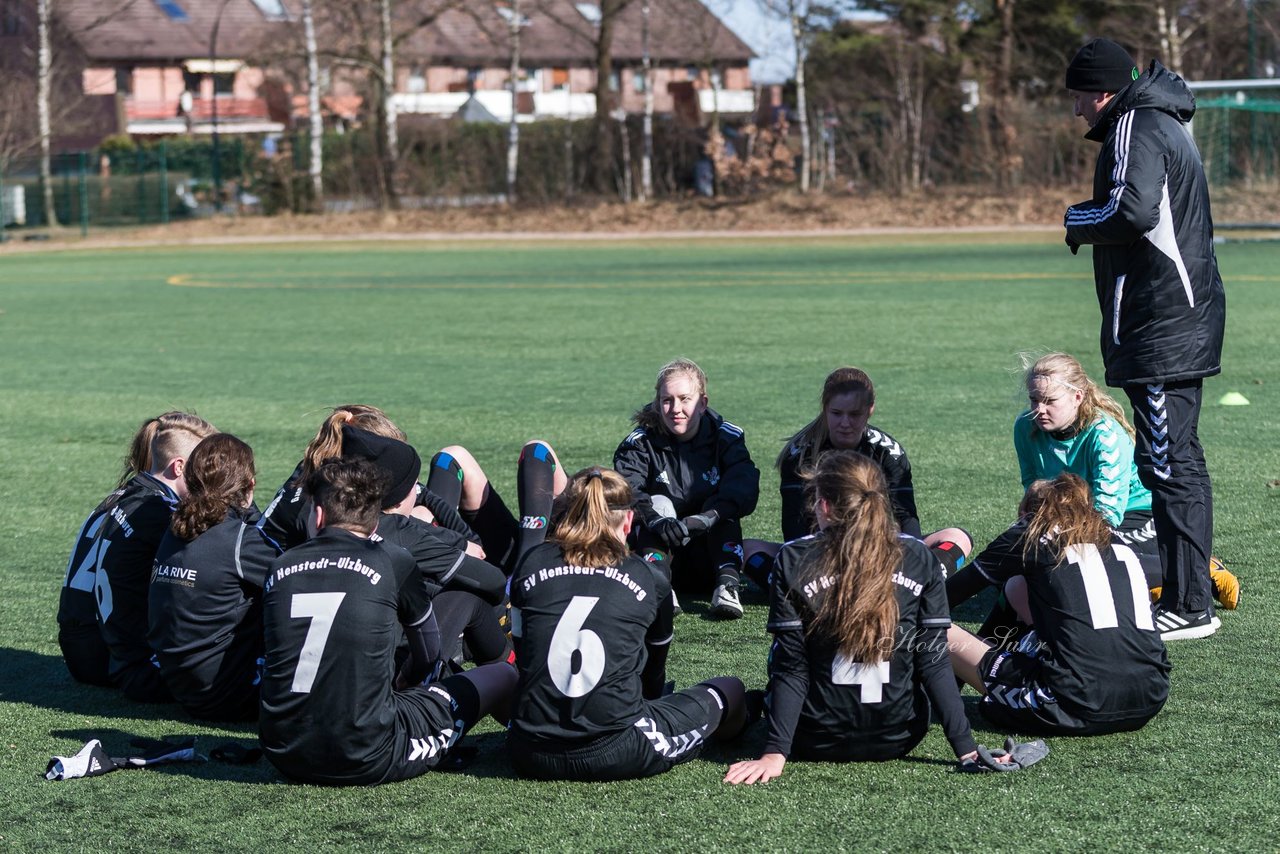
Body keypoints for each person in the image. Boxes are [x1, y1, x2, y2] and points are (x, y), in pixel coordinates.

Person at [1063, 37, 1228, 639]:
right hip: (1179, 322)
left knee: (1168, 466)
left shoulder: (1135, 124)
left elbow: (1129, 212)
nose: (1077, 110)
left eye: (1079, 97)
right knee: (1178, 461)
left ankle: (1187, 605)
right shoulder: (1161, 121)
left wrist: (1074, 219)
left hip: (1162, 327)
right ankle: (1191, 595)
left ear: (1102, 92)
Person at [724, 451, 993, 785]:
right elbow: (934, 661)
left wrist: (775, 752)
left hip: (813, 739)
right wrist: (966, 749)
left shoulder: (794, 558)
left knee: (784, 653)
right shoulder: (919, 556)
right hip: (899, 738)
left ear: (822, 505)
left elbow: (791, 668)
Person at [259, 458, 516, 786]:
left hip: (281, 751)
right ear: (375, 521)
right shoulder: (394, 560)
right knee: (502, 675)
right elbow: (428, 650)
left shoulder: (279, 567)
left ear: (319, 515)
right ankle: (527, 738)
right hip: (368, 754)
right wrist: (410, 682)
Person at [507, 467, 749, 781]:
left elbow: (524, 655)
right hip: (616, 749)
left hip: (528, 750)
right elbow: (653, 673)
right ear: (629, 521)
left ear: (565, 516)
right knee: (730, 689)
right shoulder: (647, 576)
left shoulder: (532, 562)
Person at [948, 474, 1172, 735]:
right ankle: (983, 673)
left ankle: (922, 695)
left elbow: (943, 597)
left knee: (931, 626)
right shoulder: (1119, 542)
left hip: (1073, 704)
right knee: (1017, 587)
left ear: (1025, 514)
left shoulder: (1028, 533)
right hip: (1150, 698)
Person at [1015, 353, 1237, 607]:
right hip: (1079, 516)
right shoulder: (1025, 427)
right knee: (1026, 557)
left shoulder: (1104, 434)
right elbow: (1034, 489)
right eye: (1034, 400)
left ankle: (1201, 568)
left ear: (1077, 397)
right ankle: (1147, 584)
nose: (1039, 410)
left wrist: (1066, 538)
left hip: (1135, 515)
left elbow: (1108, 512)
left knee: (1089, 557)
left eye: (1049, 401)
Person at [747, 366, 971, 589]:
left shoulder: (888, 452)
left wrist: (906, 564)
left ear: (870, 410)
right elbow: (795, 529)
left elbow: (906, 519)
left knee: (958, 537)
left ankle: (920, 582)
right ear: (825, 409)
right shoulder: (800, 454)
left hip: (877, 546)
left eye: (854, 414)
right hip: (822, 551)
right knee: (745, 549)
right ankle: (801, 587)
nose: (845, 423)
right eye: (836, 414)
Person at [58, 411, 218, 698]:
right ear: (179, 467)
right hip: (106, 657)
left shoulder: (120, 495)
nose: (209, 478)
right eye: (204, 468)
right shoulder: (156, 512)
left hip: (80, 644)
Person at [613, 358, 760, 619]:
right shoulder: (639, 443)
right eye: (667, 400)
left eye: (684, 399)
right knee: (658, 502)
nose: (675, 409)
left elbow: (744, 488)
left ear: (702, 403)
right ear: (658, 404)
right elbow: (626, 491)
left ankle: (727, 586)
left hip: (710, 556)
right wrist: (656, 521)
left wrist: (705, 519)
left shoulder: (727, 437)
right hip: (659, 555)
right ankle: (661, 588)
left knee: (723, 505)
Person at [148, 433, 280, 721]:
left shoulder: (173, 529)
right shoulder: (237, 541)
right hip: (225, 694)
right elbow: (302, 573)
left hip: (179, 686)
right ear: (251, 485)